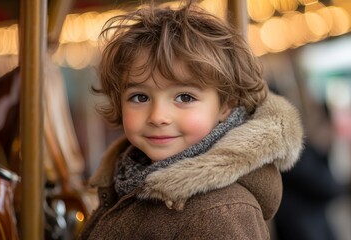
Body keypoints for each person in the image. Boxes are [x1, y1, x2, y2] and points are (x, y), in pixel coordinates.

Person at [79, 1, 303, 239]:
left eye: (184, 97)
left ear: (226, 105)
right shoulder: (128, 180)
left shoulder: (218, 215)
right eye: (140, 97)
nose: (158, 117)